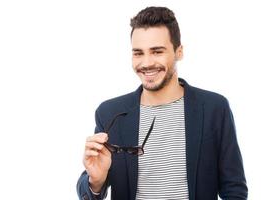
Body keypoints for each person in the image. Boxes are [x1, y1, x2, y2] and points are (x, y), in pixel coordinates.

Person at [76, 6, 248, 200]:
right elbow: (90, 187)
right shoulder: (110, 112)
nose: (147, 63)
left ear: (179, 52)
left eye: (157, 51)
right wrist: (96, 181)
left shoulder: (214, 108)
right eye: (138, 53)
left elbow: (234, 188)